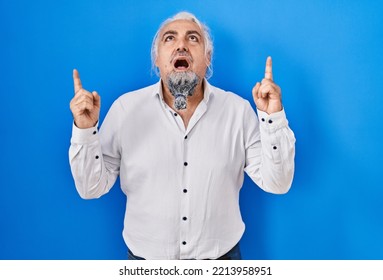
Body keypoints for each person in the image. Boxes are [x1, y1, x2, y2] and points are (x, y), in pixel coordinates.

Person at [69, 11, 296, 260]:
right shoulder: (125, 110)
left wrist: (272, 118)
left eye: (193, 39)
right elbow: (90, 188)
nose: (181, 45)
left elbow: (277, 183)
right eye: (169, 38)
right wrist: (84, 130)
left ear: (207, 58)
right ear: (157, 58)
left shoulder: (238, 111)